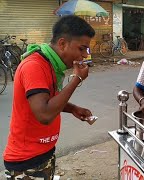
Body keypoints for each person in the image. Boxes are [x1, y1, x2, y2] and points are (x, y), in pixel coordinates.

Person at [3, 15, 95, 180]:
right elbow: (44, 114)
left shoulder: (51, 64)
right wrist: (77, 78)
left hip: (44, 152)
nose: (84, 56)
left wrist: (73, 108)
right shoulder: (35, 66)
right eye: (81, 49)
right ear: (62, 44)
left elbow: (48, 98)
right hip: (27, 161)